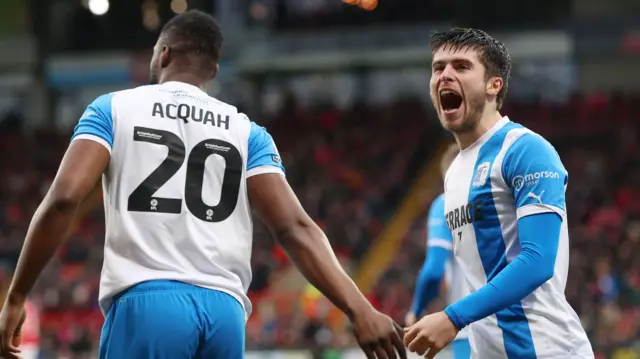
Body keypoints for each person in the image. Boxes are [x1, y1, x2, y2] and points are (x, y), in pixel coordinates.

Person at [0, 10, 406, 359]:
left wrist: (16, 296)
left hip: (149, 301)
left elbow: (64, 199)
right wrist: (360, 309)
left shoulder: (113, 108)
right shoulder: (249, 133)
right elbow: (296, 228)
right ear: (213, 70)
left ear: (163, 54)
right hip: (225, 313)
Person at [403, 28, 594, 359]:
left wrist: (452, 317)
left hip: (548, 351)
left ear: (494, 85)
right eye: (438, 68)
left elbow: (537, 261)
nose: (445, 75)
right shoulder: (455, 173)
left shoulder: (526, 150)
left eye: (461, 67)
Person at [405, 143, 470, 359]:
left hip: (470, 328)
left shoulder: (446, 204)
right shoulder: (501, 201)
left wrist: (416, 310)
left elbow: (434, 271)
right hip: (516, 327)